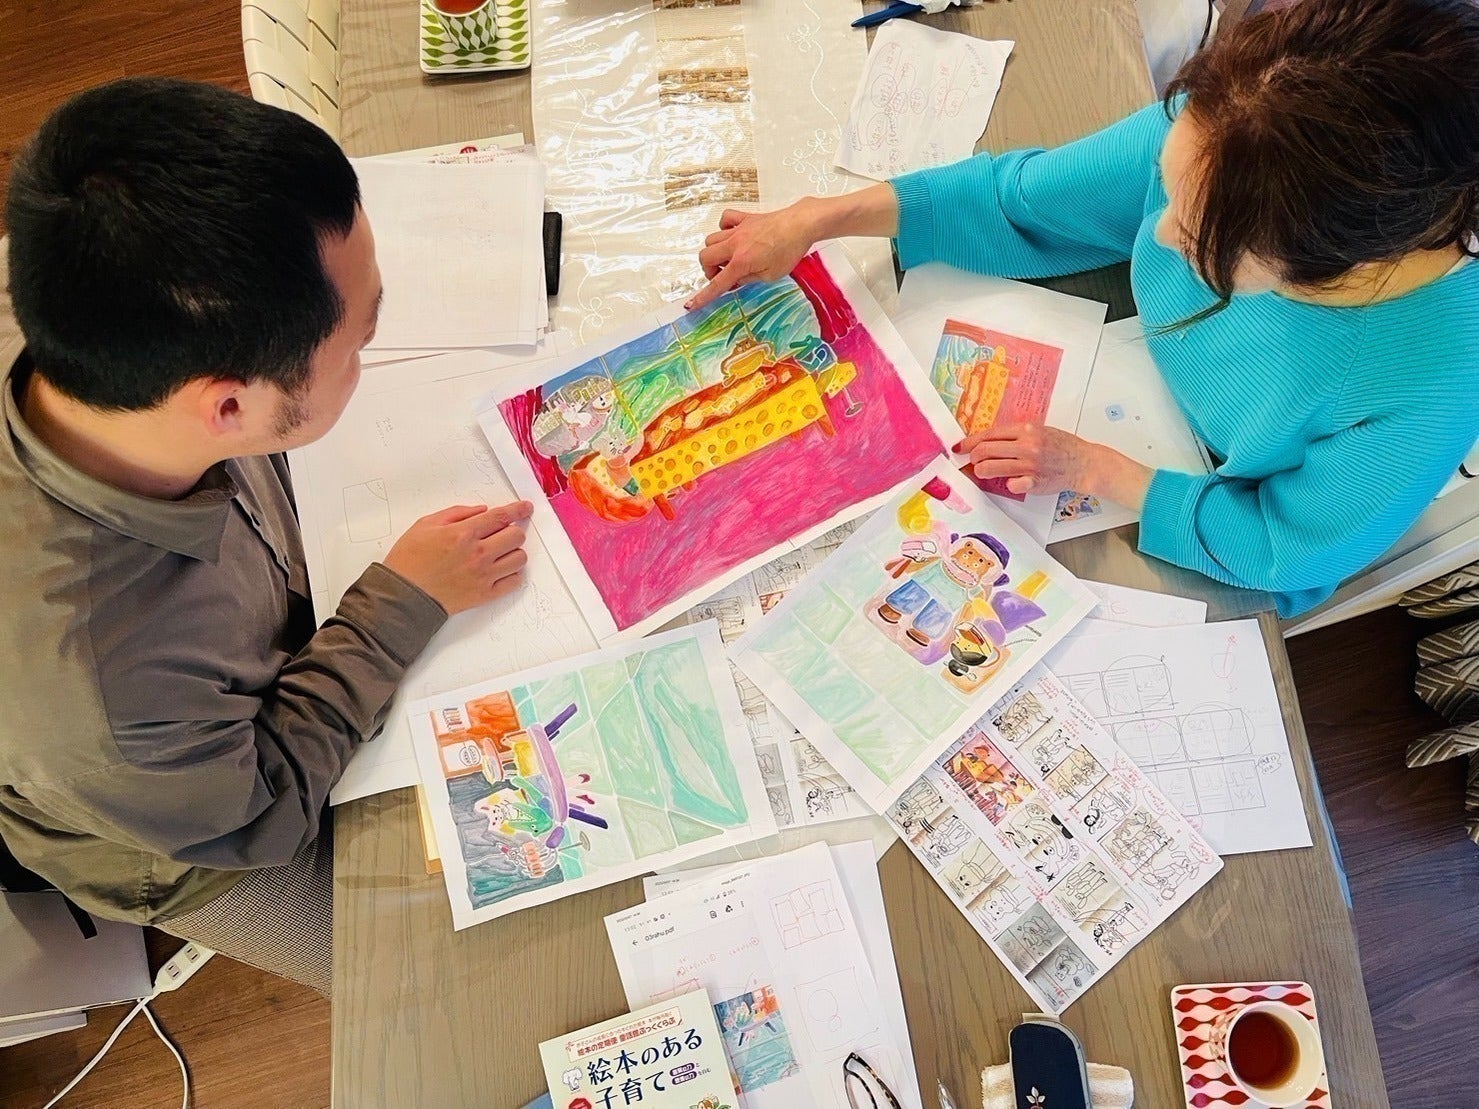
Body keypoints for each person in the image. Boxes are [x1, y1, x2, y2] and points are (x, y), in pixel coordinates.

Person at [0, 79, 533, 995]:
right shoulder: (102, 686)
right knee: (440, 977)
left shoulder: (75, 291)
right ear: (228, 407)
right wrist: (395, 610)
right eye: (357, 344)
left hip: (259, 615)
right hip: (199, 836)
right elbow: (263, 809)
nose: (370, 355)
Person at [688, 0, 1479, 616]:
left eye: (1198, 237)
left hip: (1206, 515)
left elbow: (1283, 549)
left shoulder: (1429, 388)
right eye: (1169, 182)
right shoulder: (1237, 127)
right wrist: (817, 219)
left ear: (1322, 271)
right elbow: (1022, 200)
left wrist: (1100, 471)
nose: (1157, 230)